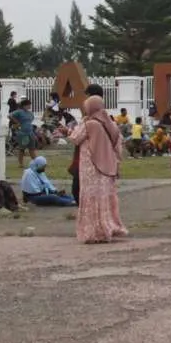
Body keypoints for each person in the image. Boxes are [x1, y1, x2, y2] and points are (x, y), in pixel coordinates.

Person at [70, 96, 127, 243]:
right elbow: (118, 142)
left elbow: (75, 138)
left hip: (91, 166)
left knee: (91, 196)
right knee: (104, 197)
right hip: (108, 167)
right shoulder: (110, 123)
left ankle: (94, 232)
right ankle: (109, 227)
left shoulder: (89, 123)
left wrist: (75, 127)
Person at [67, 84, 107, 206]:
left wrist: (69, 131)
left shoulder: (89, 121)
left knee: (79, 189)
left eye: (87, 96)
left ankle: (85, 211)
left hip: (87, 159)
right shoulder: (106, 118)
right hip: (102, 160)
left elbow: (76, 138)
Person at [11, 98, 38, 169]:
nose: (29, 106)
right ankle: (21, 163)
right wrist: (17, 122)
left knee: (32, 149)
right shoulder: (19, 112)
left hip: (30, 133)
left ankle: (36, 163)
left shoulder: (30, 113)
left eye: (30, 105)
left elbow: (31, 121)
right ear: (24, 105)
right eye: (28, 105)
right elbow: (10, 115)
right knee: (22, 149)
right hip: (23, 133)